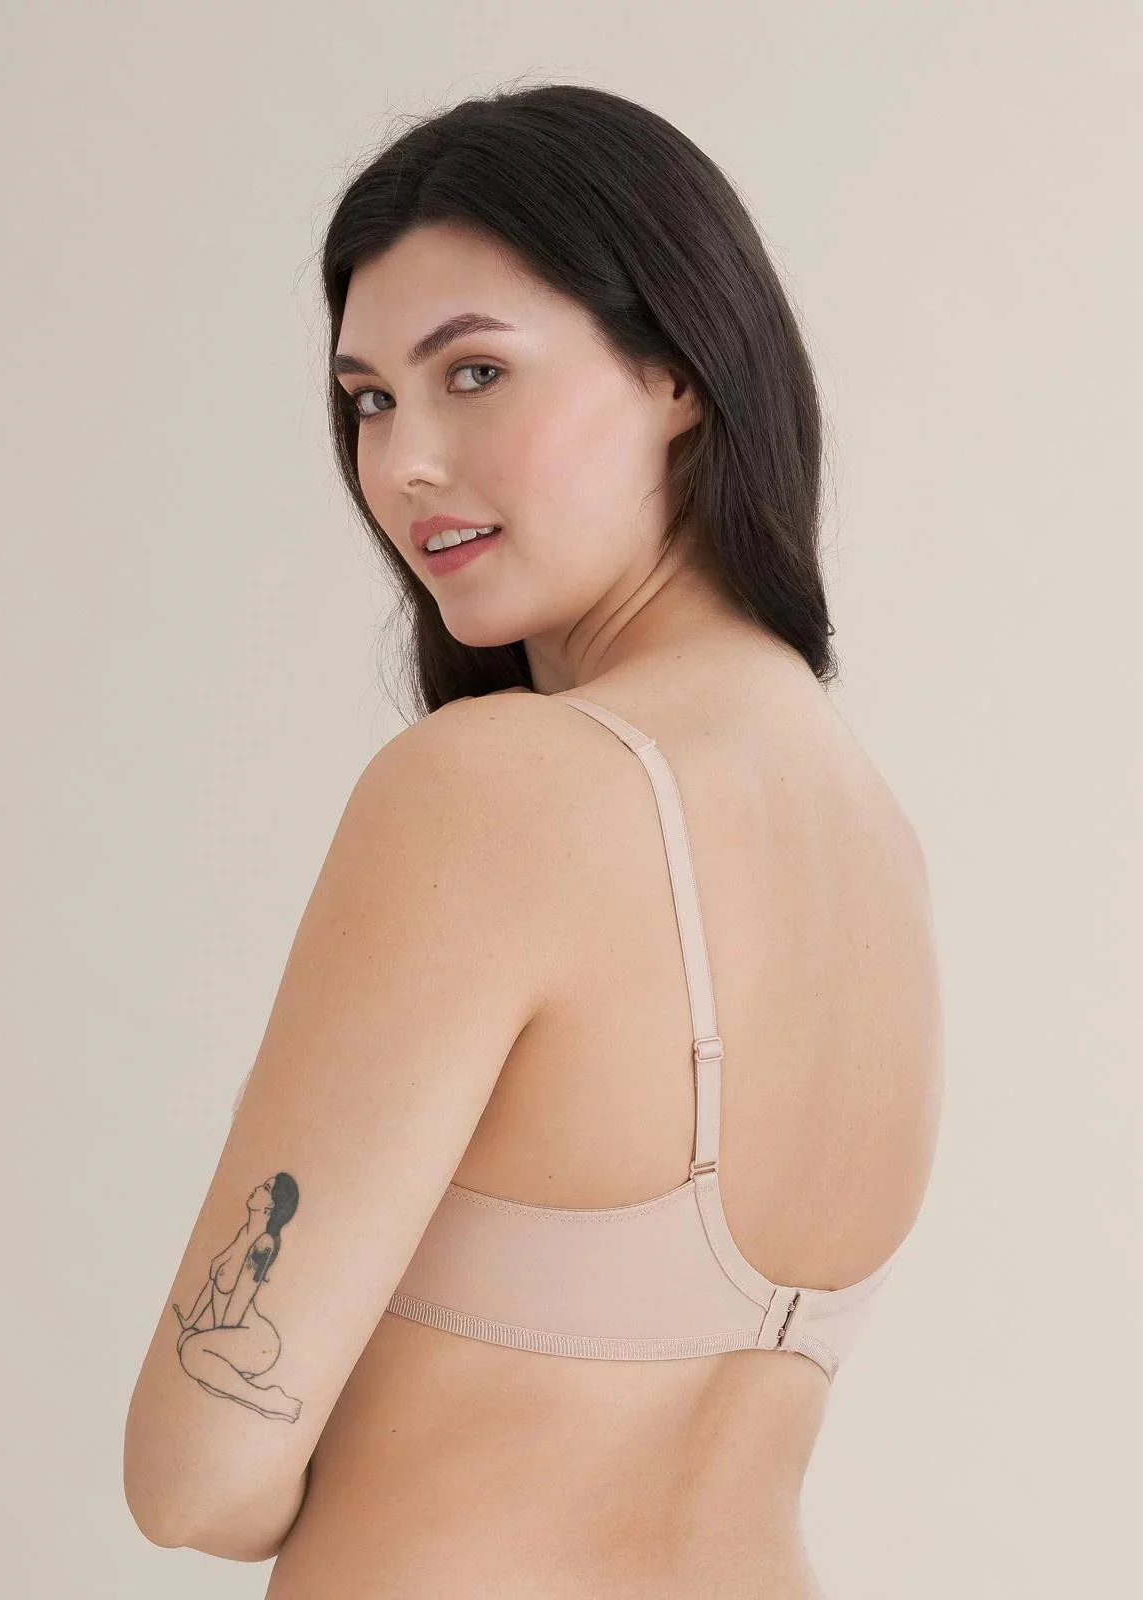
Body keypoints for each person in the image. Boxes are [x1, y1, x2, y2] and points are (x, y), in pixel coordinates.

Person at [271, 80, 944, 1597]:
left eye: (476, 373)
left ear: (677, 368)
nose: (405, 462)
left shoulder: (495, 787)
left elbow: (197, 1465)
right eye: (370, 399)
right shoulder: (877, 844)